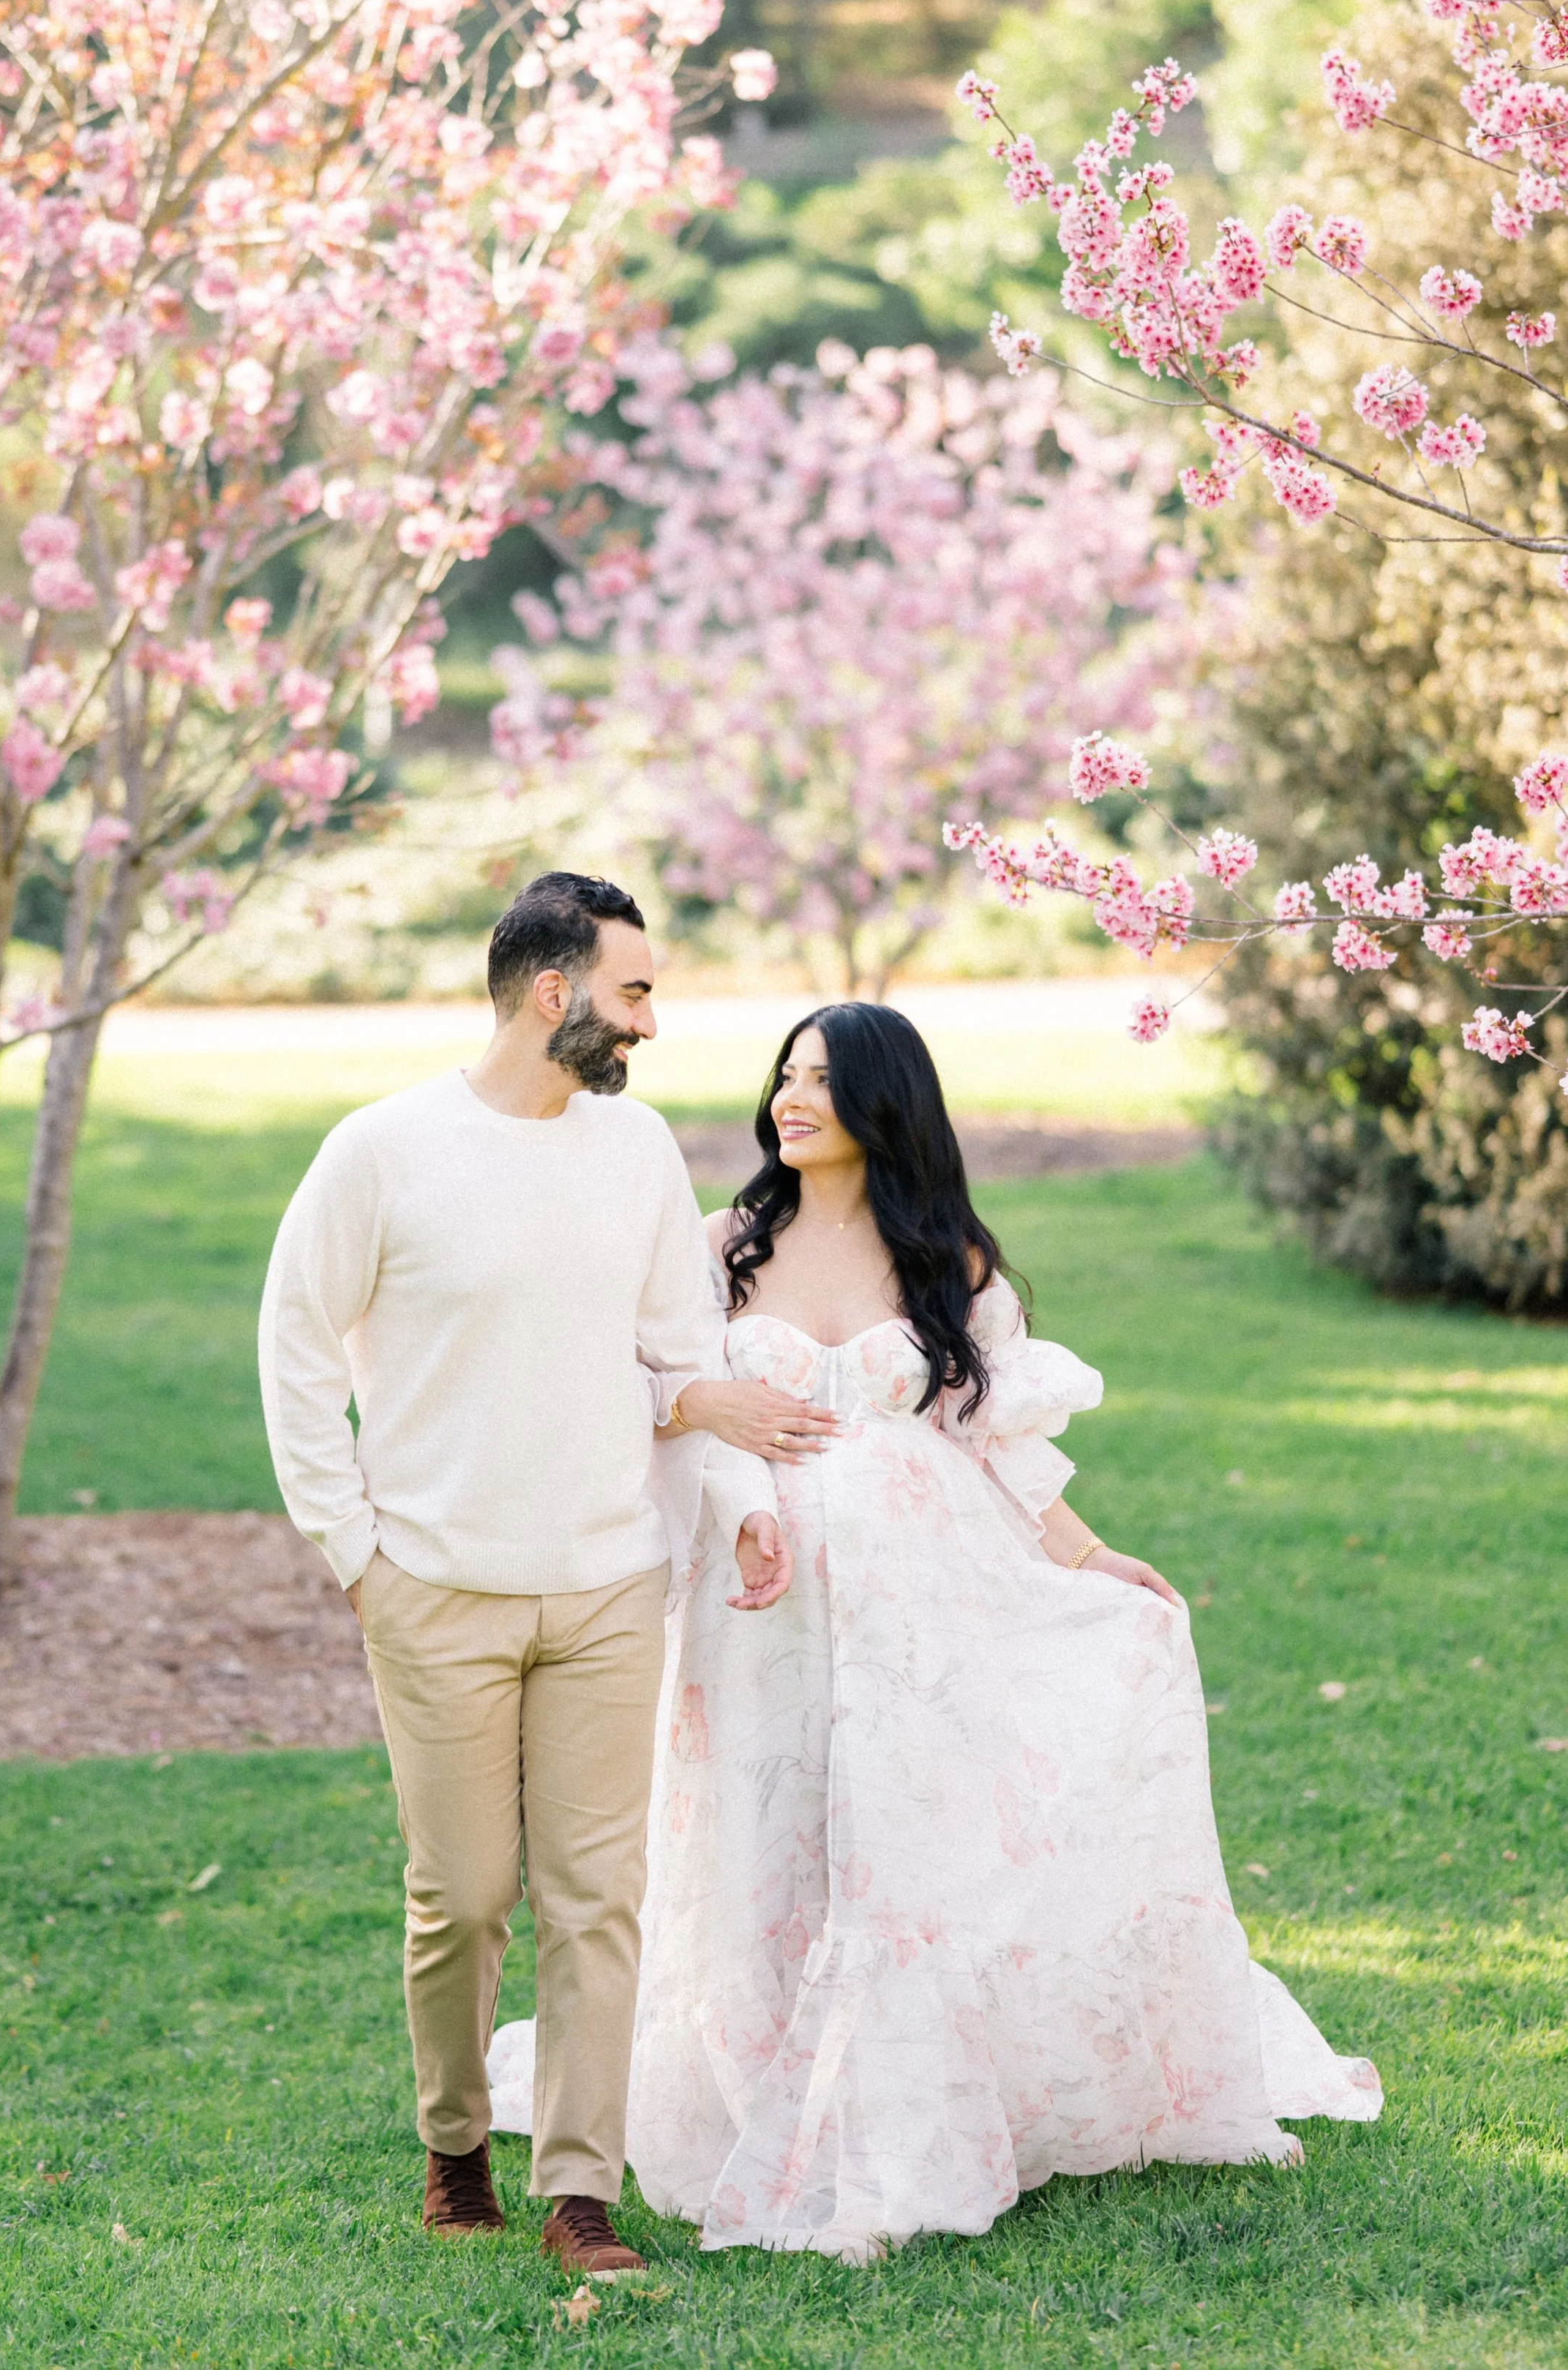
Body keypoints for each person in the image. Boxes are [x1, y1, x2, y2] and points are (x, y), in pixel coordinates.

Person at [495, 1000, 1382, 2262]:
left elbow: (997, 1441)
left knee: (905, 1846)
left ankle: (916, 2088)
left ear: (883, 1104)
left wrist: (1090, 1555)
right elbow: (656, 1389)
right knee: (770, 1824)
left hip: (926, 1601)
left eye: (820, 1080)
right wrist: (734, 1461)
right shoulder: (724, 1246)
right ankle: (752, 2078)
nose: (789, 1099)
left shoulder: (945, 1260)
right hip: (759, 1598)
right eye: (783, 1076)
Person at [258, 874, 836, 2273]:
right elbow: (294, 1345)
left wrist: (747, 1496)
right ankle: (457, 2150)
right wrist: (356, 1554)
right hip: (433, 1587)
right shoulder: (382, 1151)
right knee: (460, 1893)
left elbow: (683, 1356)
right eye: (633, 990)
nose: (650, 1019)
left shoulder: (634, 1153)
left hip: (605, 1588)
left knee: (596, 1896)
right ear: (552, 992)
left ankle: (581, 2186)